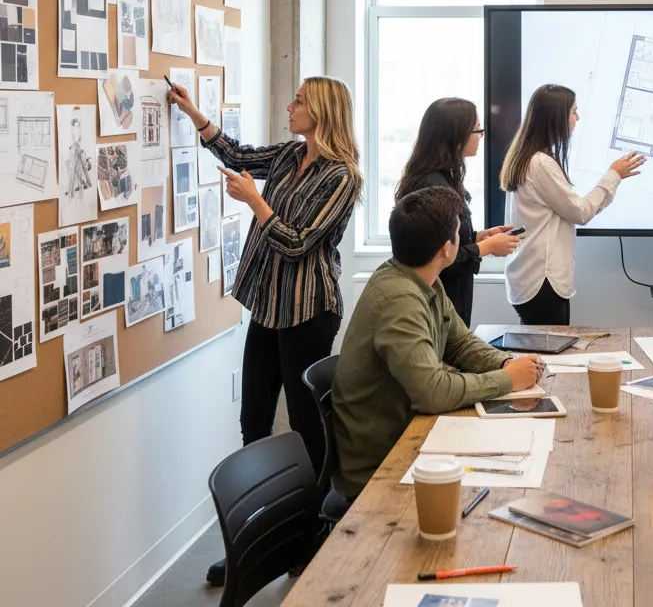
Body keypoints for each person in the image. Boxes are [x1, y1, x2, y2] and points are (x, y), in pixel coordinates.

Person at [168, 76, 361, 586]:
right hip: (268, 306)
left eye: (298, 100)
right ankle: (256, 541)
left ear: (320, 112)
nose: (289, 105)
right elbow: (234, 152)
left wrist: (256, 202)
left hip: (308, 310)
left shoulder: (342, 177)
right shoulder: (285, 156)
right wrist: (193, 112)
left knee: (304, 426)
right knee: (254, 421)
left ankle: (308, 534)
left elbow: (298, 244)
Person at [330, 186, 544, 498]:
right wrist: (506, 380)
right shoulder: (401, 298)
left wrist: (504, 363)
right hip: (381, 467)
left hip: (407, 436)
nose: (467, 237)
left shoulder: (418, 276)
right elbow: (432, 393)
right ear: (446, 248)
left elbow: (459, 343)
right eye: (460, 231)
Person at [499, 83, 644, 325]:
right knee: (550, 357)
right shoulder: (541, 164)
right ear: (557, 118)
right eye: (573, 112)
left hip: (529, 276)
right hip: (542, 281)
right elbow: (580, 212)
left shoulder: (526, 157)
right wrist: (613, 175)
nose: (578, 118)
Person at [394, 97, 520, 326]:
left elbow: (443, 241)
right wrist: (486, 247)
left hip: (449, 302)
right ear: (456, 135)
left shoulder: (441, 178)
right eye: (477, 130)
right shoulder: (433, 185)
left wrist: (477, 237)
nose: (481, 136)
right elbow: (438, 258)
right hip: (436, 307)